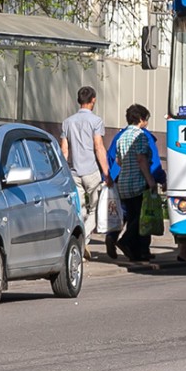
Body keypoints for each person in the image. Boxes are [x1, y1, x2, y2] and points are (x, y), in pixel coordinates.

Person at [59, 86, 111, 259]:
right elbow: (98, 146)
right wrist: (107, 172)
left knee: (78, 209)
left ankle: (76, 244)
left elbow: (64, 150)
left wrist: (63, 172)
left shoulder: (67, 122)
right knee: (97, 208)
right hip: (91, 172)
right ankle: (84, 239)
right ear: (93, 100)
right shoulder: (96, 121)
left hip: (73, 171)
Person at [107, 104, 159, 263]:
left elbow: (119, 160)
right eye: (146, 120)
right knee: (140, 218)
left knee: (131, 215)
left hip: (123, 182)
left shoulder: (121, 137)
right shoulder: (141, 136)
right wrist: (151, 180)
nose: (147, 123)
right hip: (138, 182)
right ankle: (126, 241)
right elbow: (141, 159)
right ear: (141, 119)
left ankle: (134, 252)